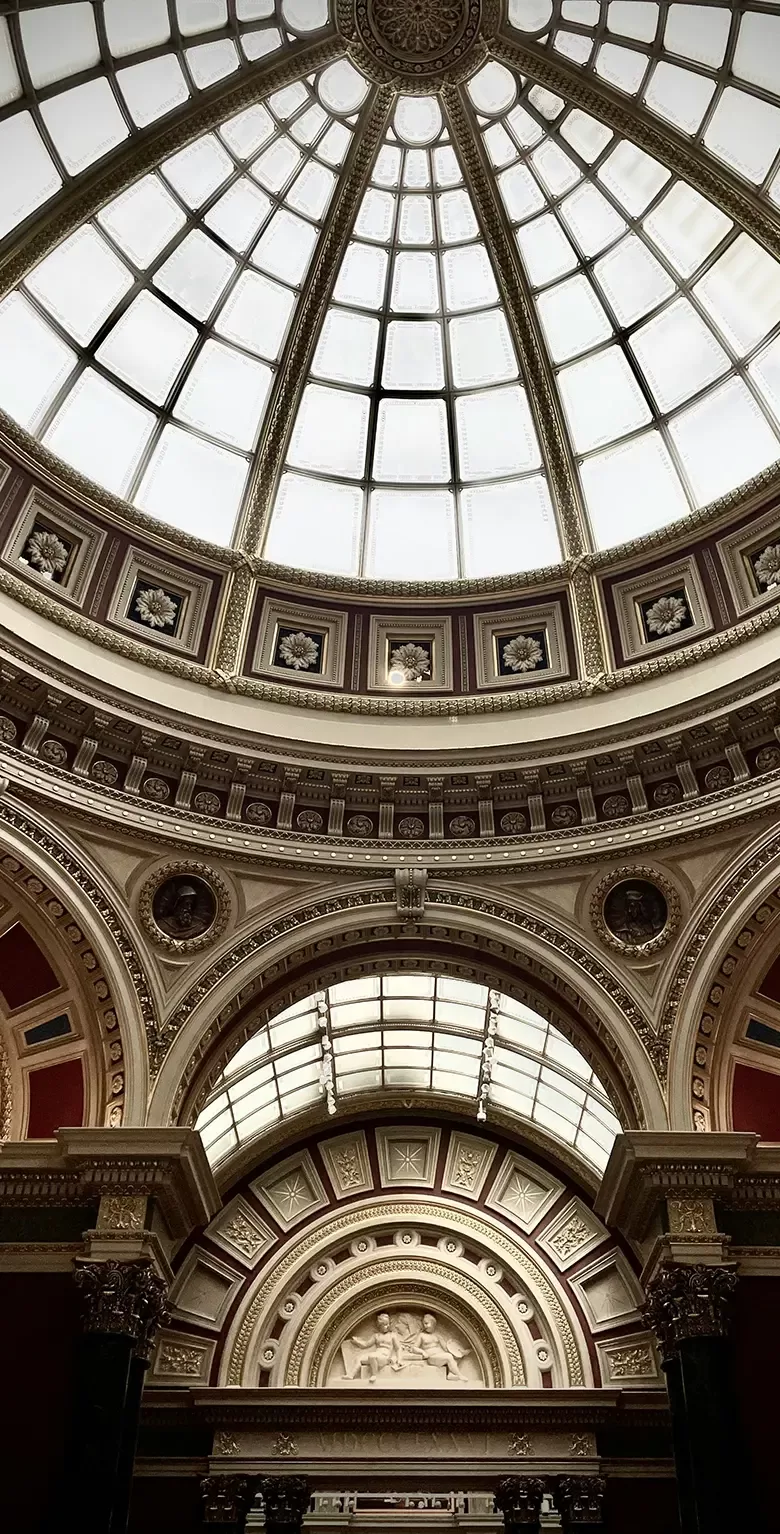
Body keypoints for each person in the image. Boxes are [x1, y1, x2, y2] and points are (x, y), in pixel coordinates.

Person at [403, 1312, 466, 1380]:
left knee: (455, 1357)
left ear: (433, 1324)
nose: (425, 1326)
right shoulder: (422, 1335)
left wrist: (460, 1351)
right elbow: (414, 1348)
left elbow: (446, 1348)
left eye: (426, 1323)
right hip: (431, 1358)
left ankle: (450, 1374)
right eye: (423, 1324)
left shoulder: (437, 1336)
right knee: (449, 1357)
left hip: (440, 1356)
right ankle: (459, 1375)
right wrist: (423, 1352)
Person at [348, 1312, 401, 1382]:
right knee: (359, 1358)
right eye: (385, 1324)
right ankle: (351, 1375)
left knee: (372, 1356)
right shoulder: (376, 1336)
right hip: (377, 1355)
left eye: (388, 1324)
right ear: (379, 1325)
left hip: (385, 1357)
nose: (387, 1326)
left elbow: (398, 1348)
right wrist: (356, 1342)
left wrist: (399, 1360)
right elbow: (366, 1344)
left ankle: (374, 1375)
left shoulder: (392, 1335)